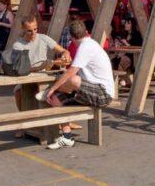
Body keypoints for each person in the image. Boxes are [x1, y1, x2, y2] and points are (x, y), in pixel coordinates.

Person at [38, 20, 114, 150]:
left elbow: (72, 72)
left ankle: (47, 91)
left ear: (72, 38)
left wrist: (53, 87)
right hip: (90, 91)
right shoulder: (87, 44)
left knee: (73, 80)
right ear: (86, 32)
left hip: (103, 94)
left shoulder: (86, 46)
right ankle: (67, 137)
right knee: (56, 98)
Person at [3, 14, 70, 114]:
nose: (33, 33)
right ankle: (24, 118)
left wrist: (66, 55)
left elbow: (63, 50)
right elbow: (23, 69)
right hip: (27, 75)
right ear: (23, 29)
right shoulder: (18, 45)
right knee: (18, 92)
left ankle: (62, 121)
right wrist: (43, 65)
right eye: (29, 30)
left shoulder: (43, 38)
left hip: (45, 75)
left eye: (35, 29)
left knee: (58, 89)